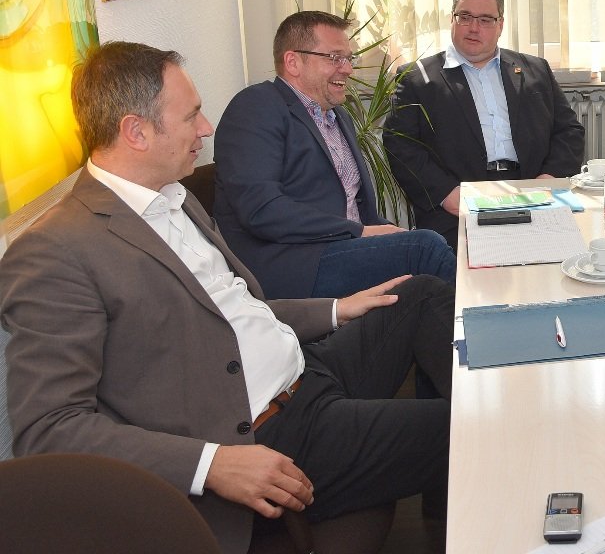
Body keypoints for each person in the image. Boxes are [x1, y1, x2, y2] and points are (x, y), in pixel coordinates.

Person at [0, 42, 454, 553]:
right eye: (192, 114)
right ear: (136, 131)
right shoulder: (55, 252)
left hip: (306, 369)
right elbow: (49, 430)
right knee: (470, 431)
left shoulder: (176, 195)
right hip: (268, 430)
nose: (206, 128)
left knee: (419, 294)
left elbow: (227, 312)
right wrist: (211, 463)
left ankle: (457, 497)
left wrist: (335, 309)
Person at [214, 11, 456, 299]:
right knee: (425, 249)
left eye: (348, 59)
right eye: (334, 58)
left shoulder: (338, 115)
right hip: (293, 265)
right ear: (293, 62)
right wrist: (357, 232)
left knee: (433, 251)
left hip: (342, 251)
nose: (347, 70)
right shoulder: (256, 108)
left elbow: (357, 208)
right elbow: (262, 210)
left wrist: (382, 231)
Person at [383, 0, 585, 247]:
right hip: (459, 201)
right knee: (475, 282)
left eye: (486, 20)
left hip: (534, 191)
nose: (474, 27)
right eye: (465, 17)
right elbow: (400, 144)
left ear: (500, 25)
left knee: (563, 263)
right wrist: (446, 194)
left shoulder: (536, 69)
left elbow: (569, 131)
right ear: (452, 20)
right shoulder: (417, 78)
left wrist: (549, 179)